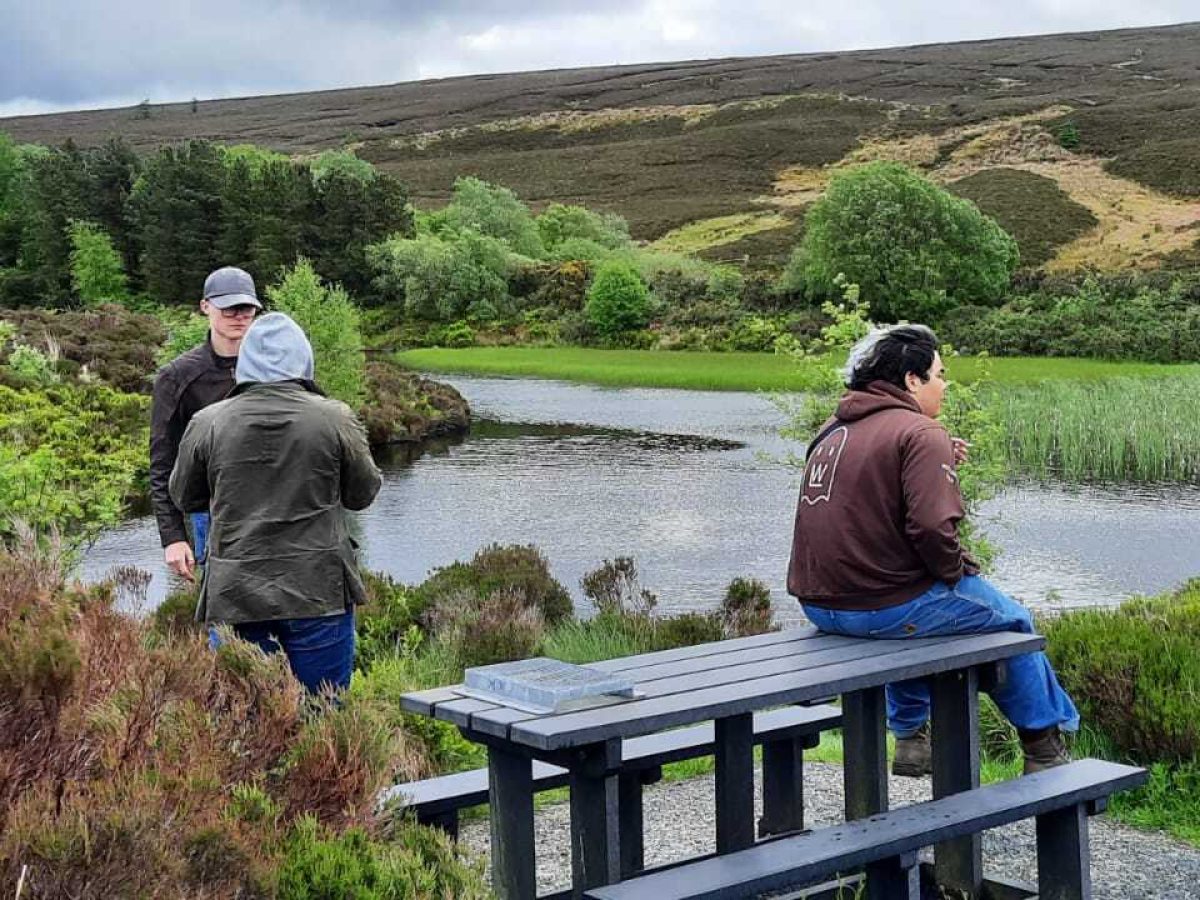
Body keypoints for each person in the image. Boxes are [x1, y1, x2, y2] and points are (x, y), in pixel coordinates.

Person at [787, 324, 1079, 776]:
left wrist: (939, 451)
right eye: (939, 374)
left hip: (821, 609)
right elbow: (929, 527)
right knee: (1016, 623)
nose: (945, 384)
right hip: (880, 611)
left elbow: (865, 495)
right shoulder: (920, 432)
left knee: (920, 616)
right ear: (911, 380)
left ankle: (910, 741)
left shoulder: (831, 430)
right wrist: (956, 572)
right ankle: (1045, 748)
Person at [169, 312, 381, 695]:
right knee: (324, 718)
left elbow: (185, 497)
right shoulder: (334, 417)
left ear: (245, 363)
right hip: (319, 591)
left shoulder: (207, 422)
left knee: (247, 721)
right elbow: (362, 494)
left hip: (235, 595)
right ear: (304, 360)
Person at [150, 266, 262, 582]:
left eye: (246, 307)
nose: (239, 315)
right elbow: (163, 462)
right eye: (229, 307)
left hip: (278, 508)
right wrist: (172, 536)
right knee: (226, 616)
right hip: (212, 513)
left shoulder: (277, 367)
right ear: (205, 307)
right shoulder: (177, 377)